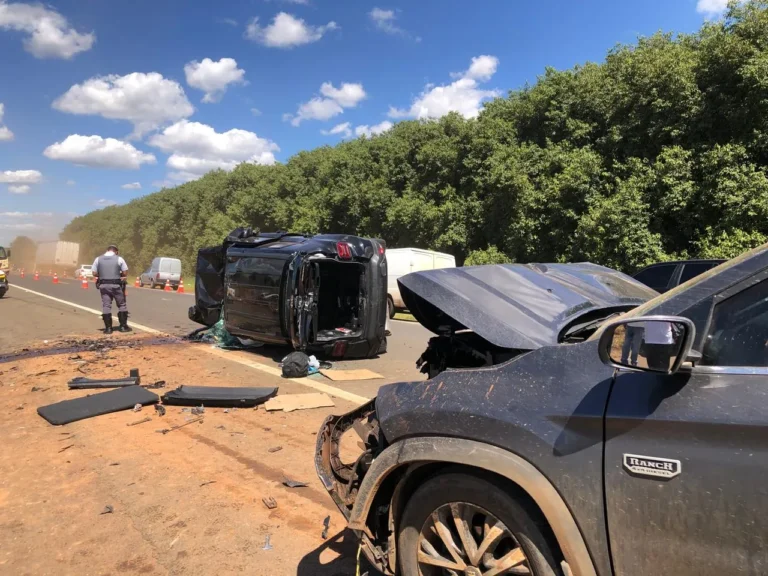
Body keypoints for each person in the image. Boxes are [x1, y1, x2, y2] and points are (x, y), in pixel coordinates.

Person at [92, 244, 131, 334]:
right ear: (116, 251)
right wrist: (119, 274)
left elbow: (94, 273)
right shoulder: (119, 259)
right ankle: (123, 326)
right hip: (116, 285)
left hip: (104, 285)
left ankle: (108, 328)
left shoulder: (98, 259)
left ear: (107, 250)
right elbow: (125, 272)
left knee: (106, 305)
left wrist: (102, 274)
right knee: (121, 305)